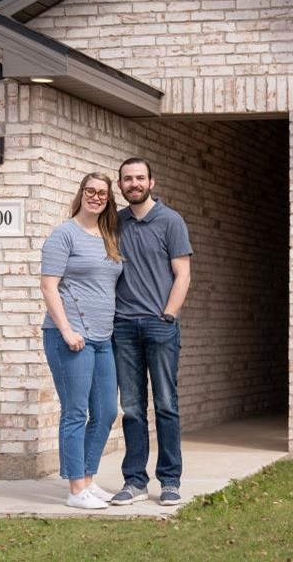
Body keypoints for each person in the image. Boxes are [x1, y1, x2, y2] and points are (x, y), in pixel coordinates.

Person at [110, 157, 192, 507]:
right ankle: (134, 481)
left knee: (166, 405)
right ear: (121, 185)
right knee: (131, 408)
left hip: (160, 326)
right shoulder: (115, 223)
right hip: (123, 327)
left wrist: (168, 316)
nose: (134, 184)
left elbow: (183, 274)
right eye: (127, 179)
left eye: (140, 178)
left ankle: (170, 480)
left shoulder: (171, 221)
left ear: (151, 182)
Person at [40, 173, 122, 510]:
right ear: (81, 193)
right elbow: (49, 286)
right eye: (91, 190)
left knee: (104, 412)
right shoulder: (64, 234)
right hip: (70, 338)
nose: (96, 197)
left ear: (108, 199)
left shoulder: (109, 237)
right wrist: (67, 330)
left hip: (104, 338)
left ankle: (88, 481)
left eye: (102, 193)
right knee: (76, 412)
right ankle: (76, 490)